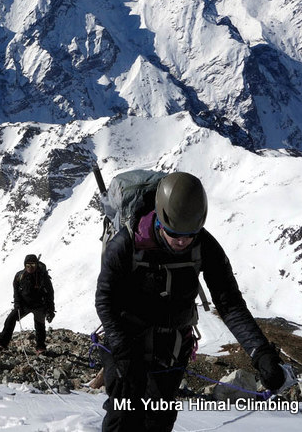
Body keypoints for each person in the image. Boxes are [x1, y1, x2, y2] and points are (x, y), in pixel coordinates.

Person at [95, 171, 286, 432]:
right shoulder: (127, 243)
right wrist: (121, 351)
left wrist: (260, 352)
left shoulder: (204, 245)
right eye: (175, 234)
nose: (183, 242)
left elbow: (229, 303)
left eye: (190, 234)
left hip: (171, 349)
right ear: (161, 220)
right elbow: (104, 299)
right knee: (124, 416)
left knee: (159, 419)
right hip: (127, 341)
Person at [0, 254, 55, 353]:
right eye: (28, 265)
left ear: (36, 265)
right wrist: (17, 304)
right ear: (24, 265)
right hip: (24, 305)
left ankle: (40, 347)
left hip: (39, 305)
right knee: (11, 319)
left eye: (33, 265)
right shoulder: (19, 276)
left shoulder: (43, 277)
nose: (30, 268)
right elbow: (16, 291)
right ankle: (2, 341)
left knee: (39, 326)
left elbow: (50, 294)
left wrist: (50, 310)